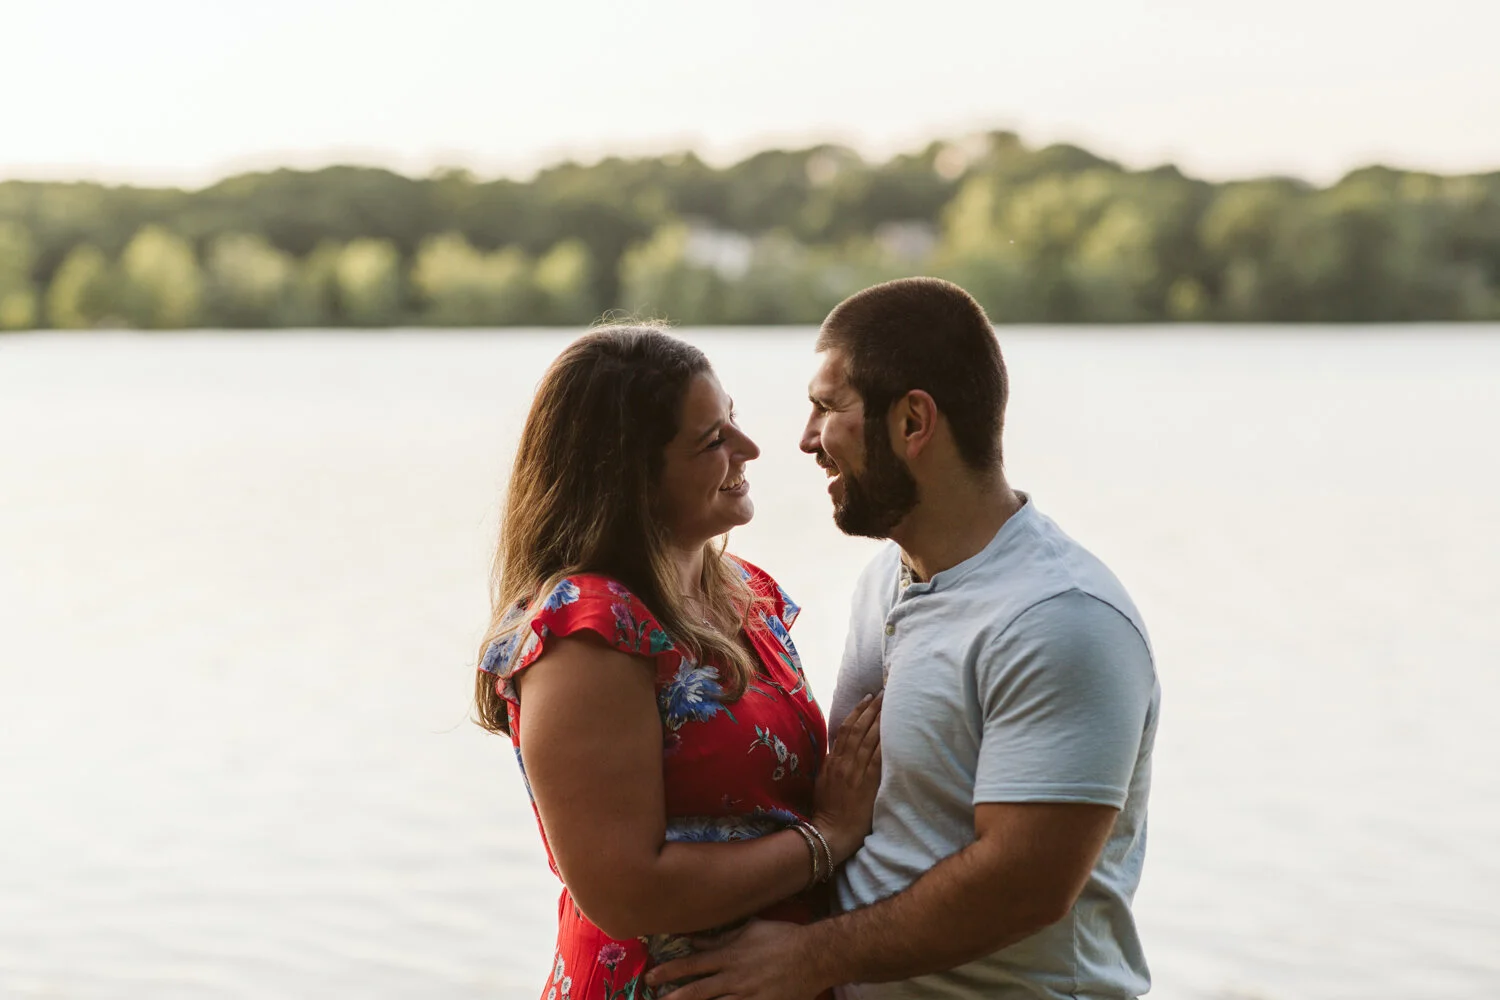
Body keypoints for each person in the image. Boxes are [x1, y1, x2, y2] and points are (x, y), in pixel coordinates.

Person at [647, 278, 1161, 1000]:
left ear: (913, 422)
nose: (804, 439)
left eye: (827, 407)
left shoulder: (1058, 617)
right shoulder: (886, 579)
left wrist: (809, 958)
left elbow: (1026, 885)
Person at [473, 325, 884, 1000]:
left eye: (734, 422)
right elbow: (628, 893)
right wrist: (829, 838)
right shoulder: (590, 632)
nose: (750, 450)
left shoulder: (745, 594)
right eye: (712, 441)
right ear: (630, 479)